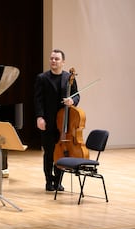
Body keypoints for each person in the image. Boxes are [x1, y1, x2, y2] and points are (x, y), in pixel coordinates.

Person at [34, 49, 79, 191]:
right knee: (49, 152)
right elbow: (38, 100)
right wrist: (39, 117)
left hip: (64, 122)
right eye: (52, 58)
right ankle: (48, 180)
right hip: (48, 121)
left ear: (63, 62)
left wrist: (72, 100)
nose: (53, 61)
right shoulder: (42, 78)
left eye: (57, 59)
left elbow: (77, 95)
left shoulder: (69, 77)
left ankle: (58, 180)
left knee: (62, 152)